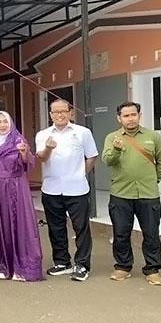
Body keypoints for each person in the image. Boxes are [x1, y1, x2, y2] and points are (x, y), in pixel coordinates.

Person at [102, 101, 161, 285]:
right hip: (121, 193)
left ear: (140, 115)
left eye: (133, 115)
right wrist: (116, 150)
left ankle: (152, 269)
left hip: (148, 194)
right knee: (121, 233)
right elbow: (107, 160)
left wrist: (153, 179)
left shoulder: (152, 136)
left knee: (151, 233)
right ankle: (123, 267)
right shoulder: (112, 137)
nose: (130, 119)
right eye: (126, 116)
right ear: (119, 118)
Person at [35, 99, 98, 282]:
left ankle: (82, 264)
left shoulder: (83, 132)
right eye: (55, 112)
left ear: (71, 112)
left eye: (63, 111)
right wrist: (48, 148)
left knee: (81, 228)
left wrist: (80, 174)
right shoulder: (43, 134)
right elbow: (41, 158)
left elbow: (92, 156)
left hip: (77, 188)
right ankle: (62, 262)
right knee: (56, 228)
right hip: (51, 188)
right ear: (50, 115)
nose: (60, 114)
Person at [0, 111, 43, 282]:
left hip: (17, 187)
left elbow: (28, 165)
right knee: (0, 226)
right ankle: (3, 265)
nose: (3, 125)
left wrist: (23, 152)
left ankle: (21, 267)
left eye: (5, 121)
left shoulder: (18, 140)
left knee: (20, 226)